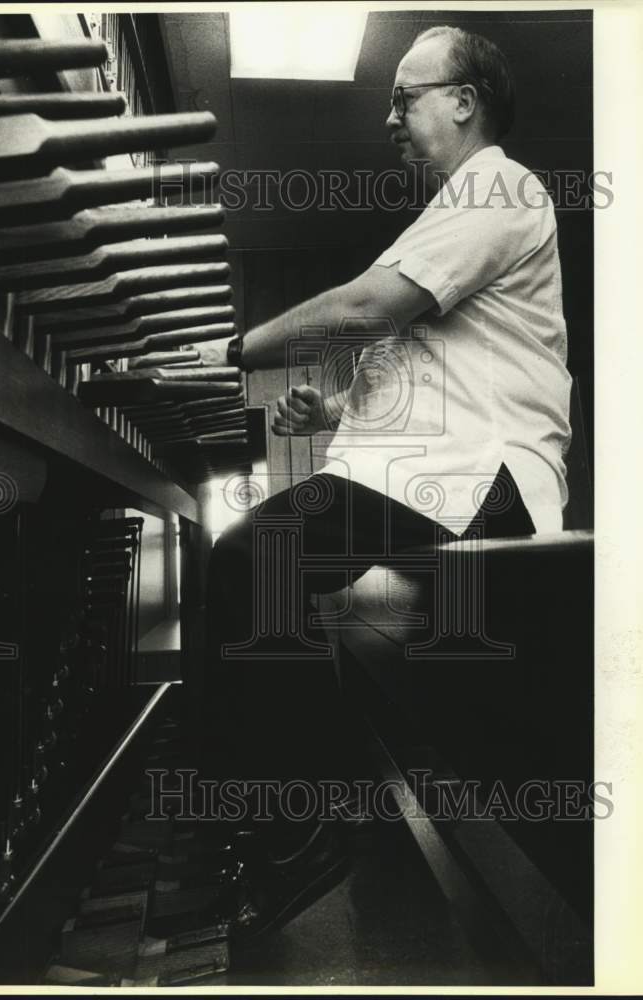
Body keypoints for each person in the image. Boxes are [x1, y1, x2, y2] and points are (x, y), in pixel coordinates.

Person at [196, 25, 573, 937]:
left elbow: (372, 305)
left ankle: (303, 835)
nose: (390, 119)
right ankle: (312, 819)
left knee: (256, 559)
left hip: (476, 480)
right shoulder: (450, 213)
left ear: (464, 100)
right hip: (434, 472)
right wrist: (333, 417)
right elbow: (429, 359)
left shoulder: (499, 184)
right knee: (260, 565)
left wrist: (230, 352)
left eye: (406, 98)